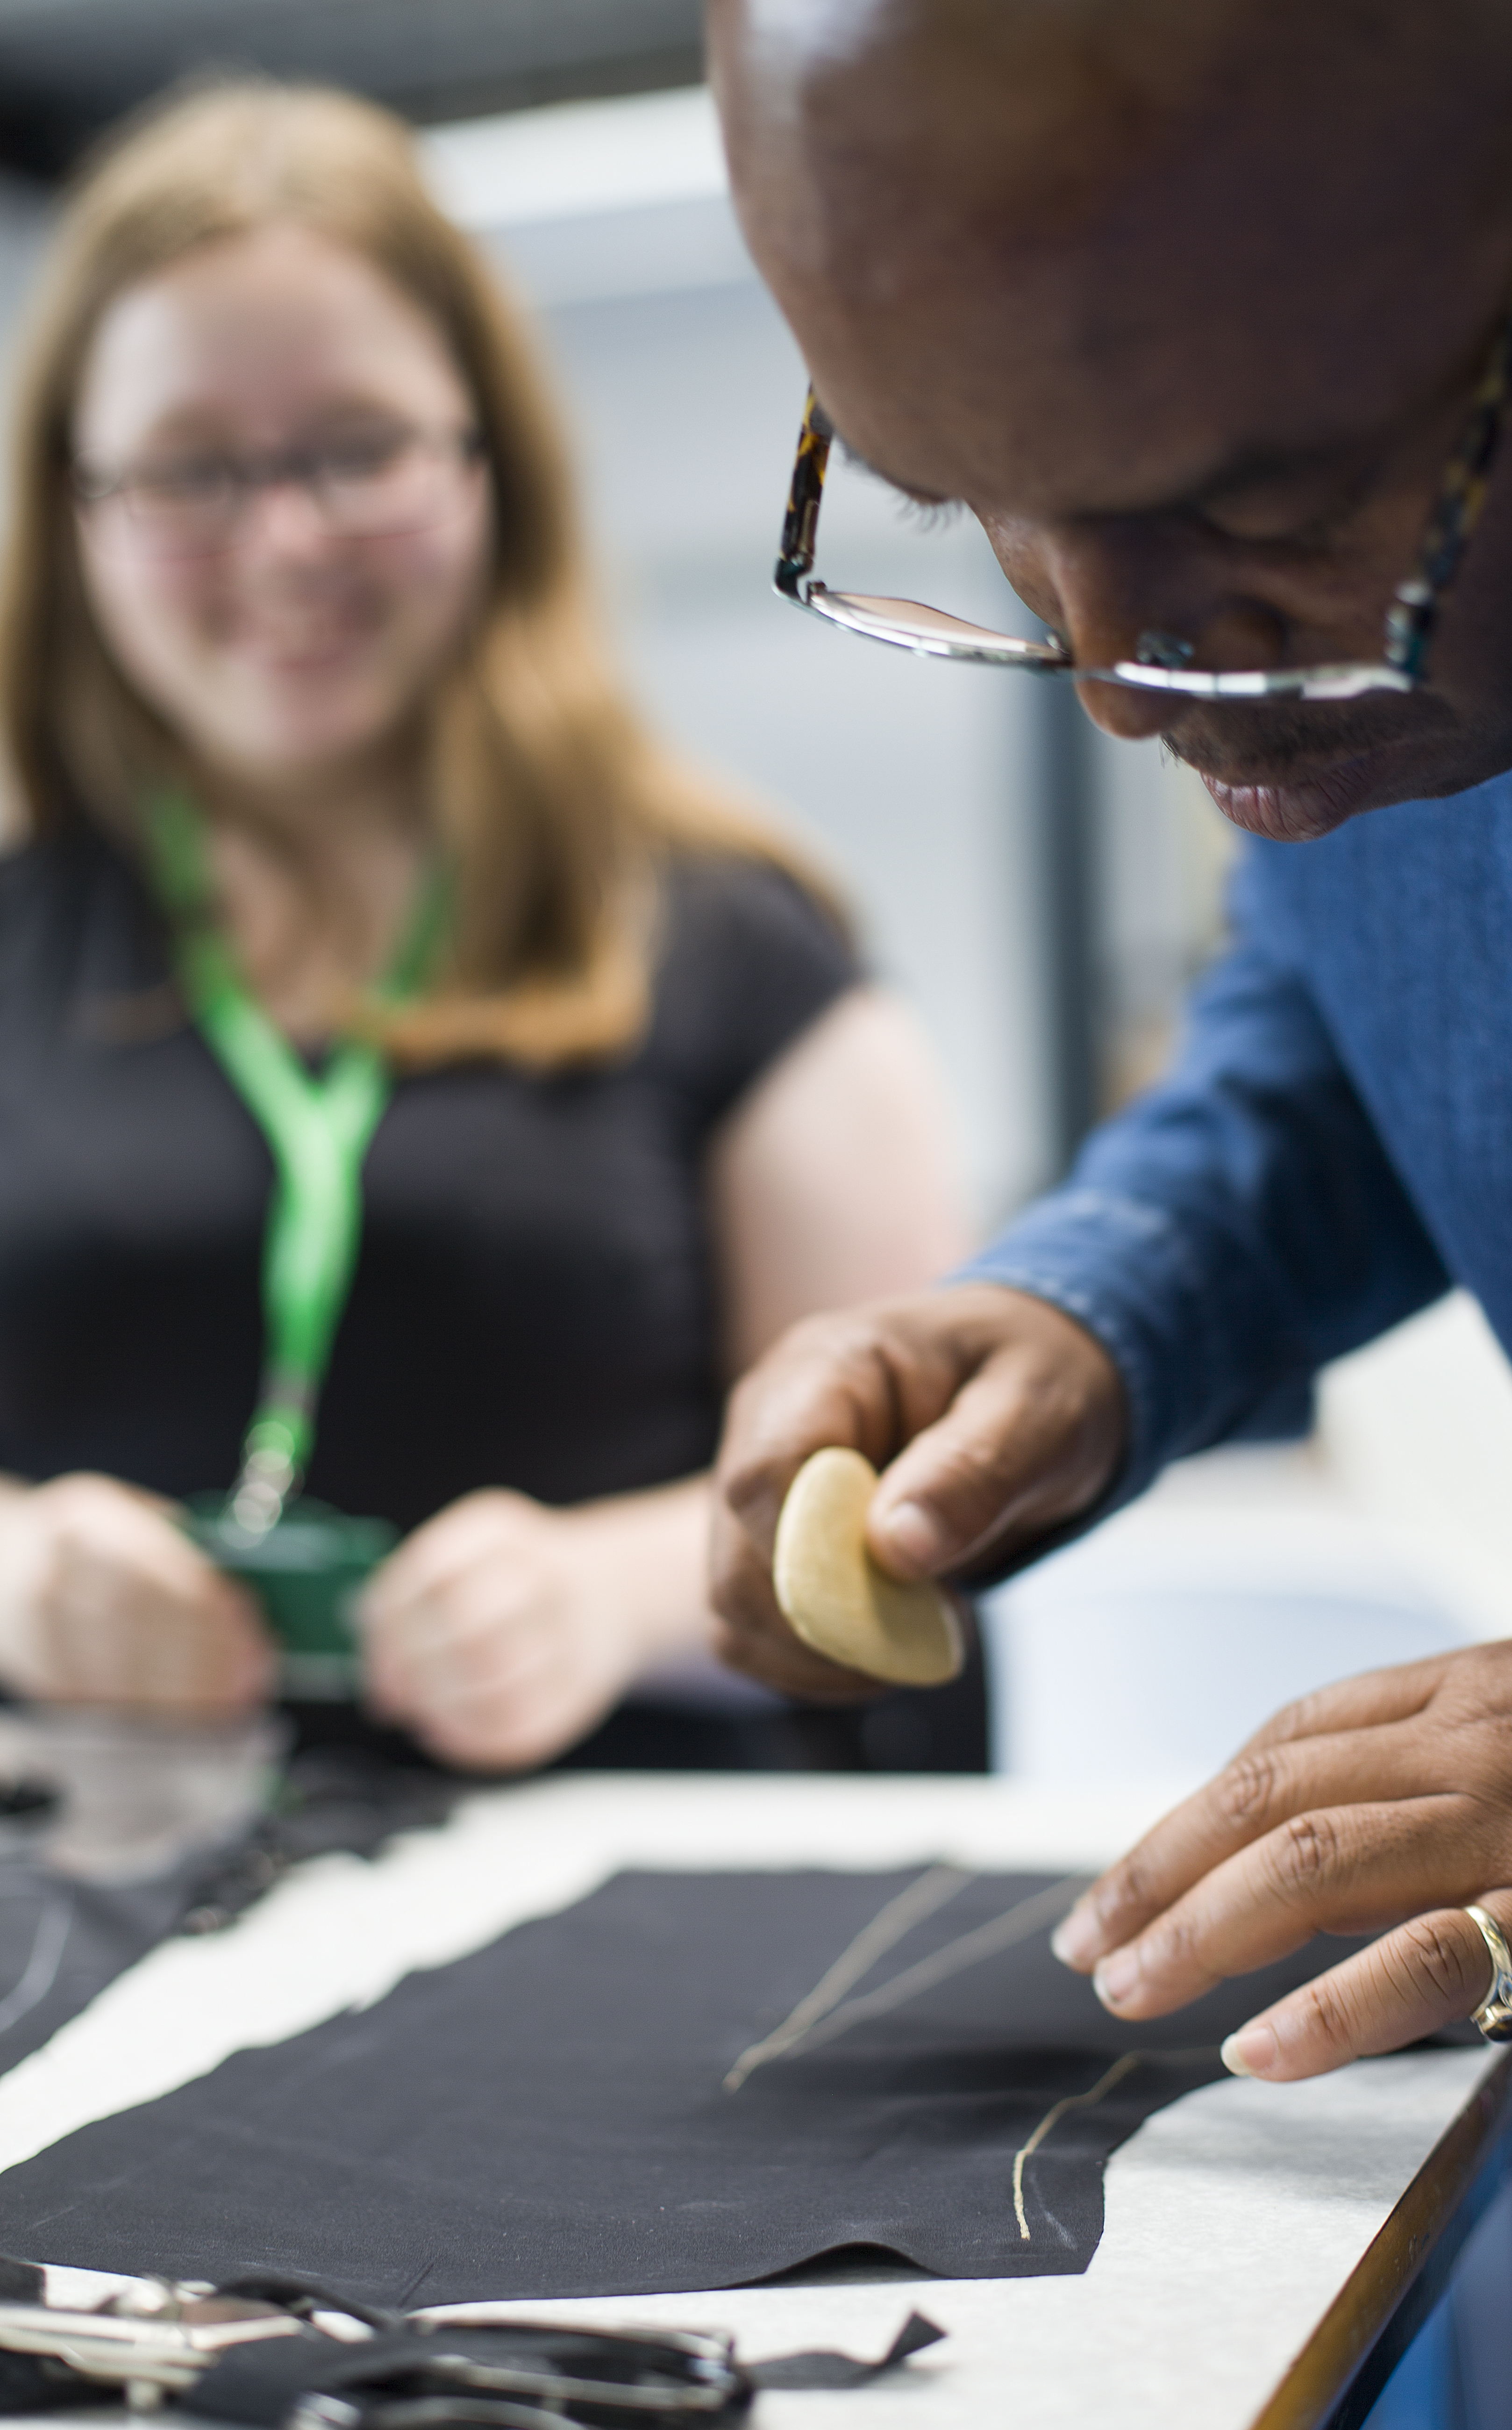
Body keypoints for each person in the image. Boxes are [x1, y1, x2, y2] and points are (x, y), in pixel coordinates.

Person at [706, 0, 1512, 2073]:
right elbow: (1357, 1008)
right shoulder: (1375, 677)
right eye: (952, 498)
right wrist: (1101, 1313)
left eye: (1264, 503)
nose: (1120, 685)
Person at [0, 78, 969, 1775]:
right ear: (72, 512)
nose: (286, 540)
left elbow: (913, 1513)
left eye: (357, 450)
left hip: (610, 1919)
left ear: (491, 466)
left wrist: (612, 1596)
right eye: (187, 471)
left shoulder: (749, 957)